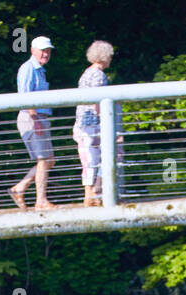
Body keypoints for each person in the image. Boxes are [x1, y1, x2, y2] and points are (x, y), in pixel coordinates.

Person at [9, 36, 57, 211]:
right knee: (44, 159)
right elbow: (24, 95)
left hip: (39, 118)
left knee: (49, 160)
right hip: (32, 118)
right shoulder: (28, 68)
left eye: (48, 50)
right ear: (32, 50)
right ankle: (41, 201)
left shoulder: (39, 70)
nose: (46, 54)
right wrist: (35, 118)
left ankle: (19, 188)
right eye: (42, 50)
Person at [73, 40, 114, 206]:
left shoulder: (86, 73)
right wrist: (105, 121)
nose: (111, 58)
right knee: (100, 157)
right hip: (92, 123)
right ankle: (95, 193)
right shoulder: (98, 74)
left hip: (82, 122)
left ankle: (89, 195)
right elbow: (97, 101)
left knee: (88, 160)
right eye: (110, 55)